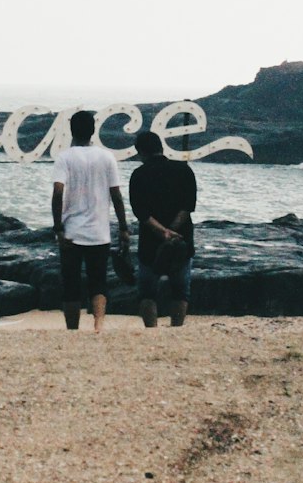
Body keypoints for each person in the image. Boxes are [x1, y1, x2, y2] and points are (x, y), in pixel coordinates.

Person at [51, 110, 129, 333]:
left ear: (71, 131)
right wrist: (123, 227)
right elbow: (116, 195)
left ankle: (72, 329)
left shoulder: (64, 157)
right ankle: (98, 326)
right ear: (93, 130)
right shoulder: (106, 157)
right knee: (99, 281)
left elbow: (58, 192)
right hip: (99, 232)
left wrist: (57, 227)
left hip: (72, 232)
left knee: (71, 283)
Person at [129, 130, 197, 327]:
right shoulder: (184, 170)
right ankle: (176, 330)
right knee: (180, 291)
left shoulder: (139, 175)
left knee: (147, 292)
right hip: (181, 238)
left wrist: (161, 232)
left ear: (141, 152)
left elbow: (141, 212)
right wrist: (172, 230)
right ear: (161, 147)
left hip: (150, 241)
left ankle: (152, 331)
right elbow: (188, 206)